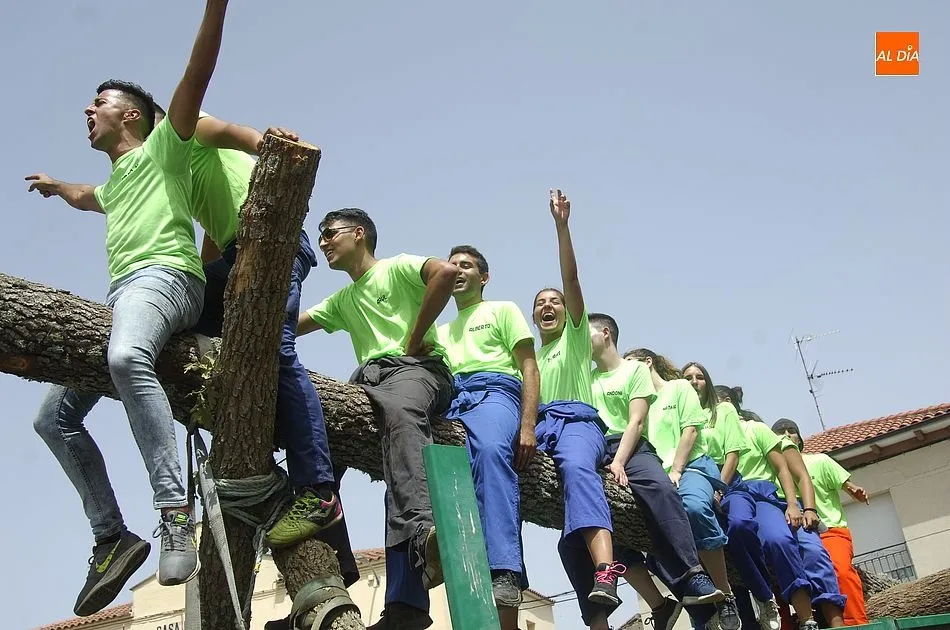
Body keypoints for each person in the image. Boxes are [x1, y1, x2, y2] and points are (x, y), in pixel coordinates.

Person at [26, 0, 230, 617]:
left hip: (169, 278)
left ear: (132, 115)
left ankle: (172, 512)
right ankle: (112, 537)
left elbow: (197, 73)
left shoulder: (165, 145)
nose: (87, 111)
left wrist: (215, 9)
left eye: (99, 103)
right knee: (52, 419)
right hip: (124, 296)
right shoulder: (116, 183)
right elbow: (93, 196)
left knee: (125, 354)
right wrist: (61, 188)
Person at [298, 208, 457, 630]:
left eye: (330, 233)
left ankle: (425, 534)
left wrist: (415, 336)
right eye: (320, 237)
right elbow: (291, 325)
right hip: (367, 381)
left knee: (403, 416)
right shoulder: (342, 300)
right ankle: (335, 576)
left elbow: (444, 272)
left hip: (417, 370)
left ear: (359, 233)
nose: (325, 242)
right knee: (318, 448)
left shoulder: (397, 267)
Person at [570, 321, 722, 630]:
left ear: (605, 333)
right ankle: (611, 612)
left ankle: (693, 575)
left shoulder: (634, 370)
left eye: (584, 331)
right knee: (587, 522)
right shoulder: (583, 376)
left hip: (631, 447)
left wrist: (620, 461)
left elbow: (636, 421)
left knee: (660, 489)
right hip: (595, 446)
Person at [532, 189, 623, 623]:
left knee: (576, 469)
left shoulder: (573, 338)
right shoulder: (528, 356)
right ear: (534, 319)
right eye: (540, 305)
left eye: (554, 303)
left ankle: (607, 570)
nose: (548, 306)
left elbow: (571, 281)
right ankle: (597, 619)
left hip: (577, 424)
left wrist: (561, 226)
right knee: (567, 541)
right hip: (541, 428)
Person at [436, 244, 539, 629]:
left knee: (494, 450)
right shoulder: (439, 329)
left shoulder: (502, 310)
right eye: (452, 266)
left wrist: (527, 424)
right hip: (452, 398)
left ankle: (505, 571)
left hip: (495, 390)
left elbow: (528, 366)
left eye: (467, 266)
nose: (458, 271)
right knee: (438, 470)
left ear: (484, 277)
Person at [622, 351, 735, 630]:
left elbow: (691, 432)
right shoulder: (637, 404)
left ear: (647, 363)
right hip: (657, 477)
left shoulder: (679, 388)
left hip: (692, 467)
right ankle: (696, 605)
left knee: (694, 508)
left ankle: (726, 595)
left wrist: (676, 469)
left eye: (630, 365)